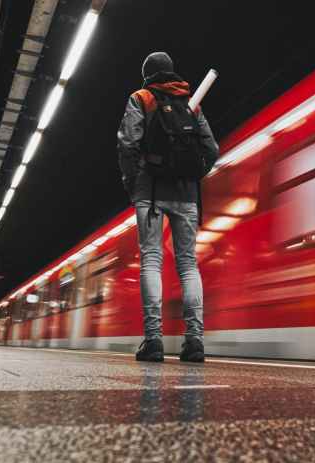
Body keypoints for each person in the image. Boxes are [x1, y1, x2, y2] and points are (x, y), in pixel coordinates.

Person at [117, 52, 219, 362]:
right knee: (188, 264)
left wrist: (133, 182)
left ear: (147, 74)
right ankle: (195, 341)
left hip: (150, 190)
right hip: (186, 194)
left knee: (151, 260)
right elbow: (211, 149)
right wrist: (191, 175)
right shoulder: (190, 103)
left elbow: (127, 142)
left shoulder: (141, 97)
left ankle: (154, 341)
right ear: (171, 72)